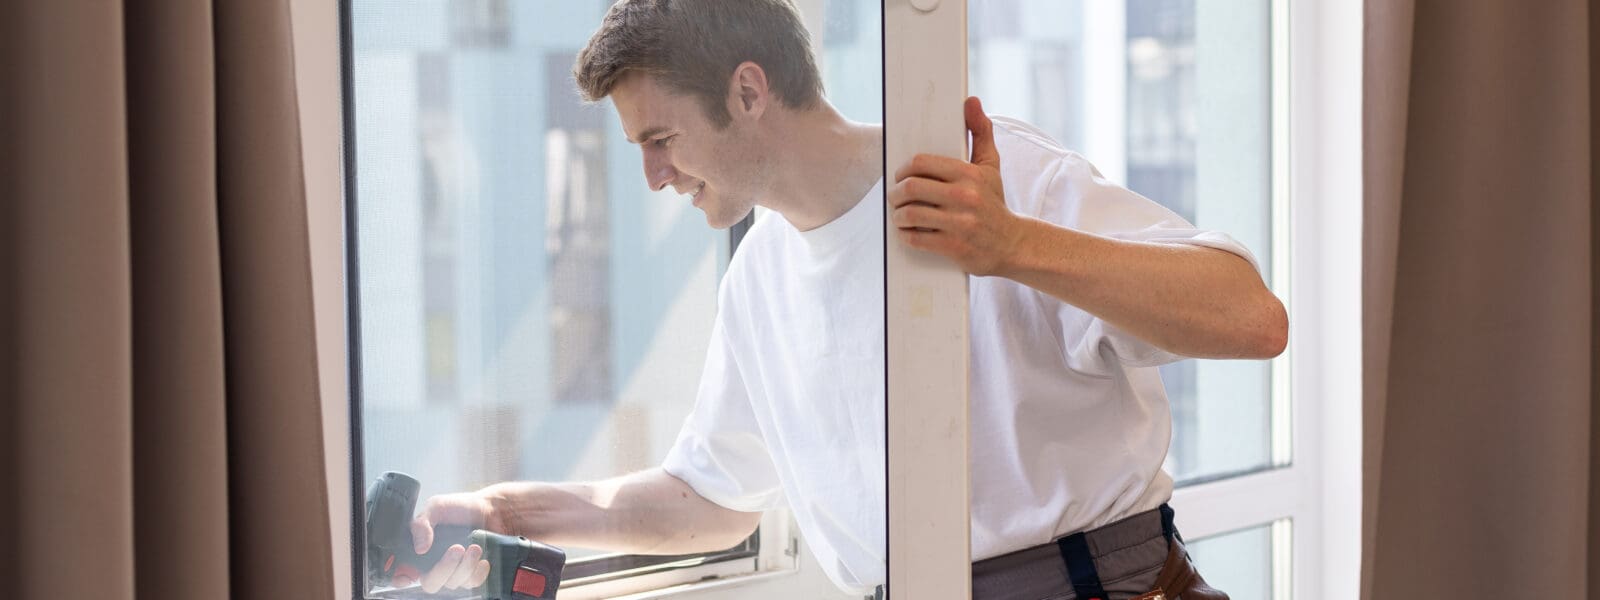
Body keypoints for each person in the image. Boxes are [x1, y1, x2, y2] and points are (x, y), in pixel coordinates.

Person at [397, 1, 1285, 598]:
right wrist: (504, 512)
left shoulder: (980, 180)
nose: (654, 176)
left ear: (749, 91)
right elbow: (707, 498)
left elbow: (1252, 317)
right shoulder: (758, 279)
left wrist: (1011, 245)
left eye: (660, 138)